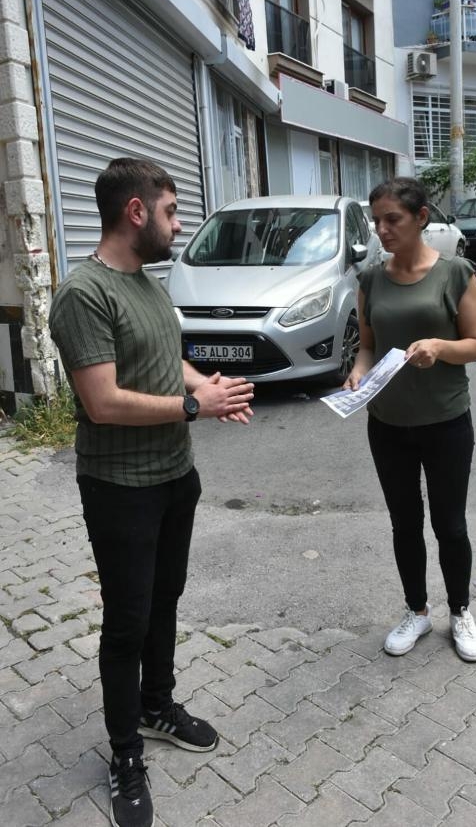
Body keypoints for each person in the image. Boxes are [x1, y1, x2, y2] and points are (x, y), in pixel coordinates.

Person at [49, 158, 255, 827]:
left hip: (174, 477)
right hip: (121, 488)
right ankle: (124, 753)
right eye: (170, 212)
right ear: (135, 212)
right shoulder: (84, 294)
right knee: (126, 622)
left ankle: (157, 705)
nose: (178, 224)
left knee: (165, 601)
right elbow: (103, 402)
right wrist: (194, 408)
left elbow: (167, 360)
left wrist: (202, 385)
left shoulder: (147, 283)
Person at [343, 177, 476, 664]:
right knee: (404, 523)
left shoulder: (456, 273)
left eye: (393, 219)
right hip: (387, 425)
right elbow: (367, 346)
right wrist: (358, 372)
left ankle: (460, 611)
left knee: (450, 525)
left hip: (446, 422)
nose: (382, 229)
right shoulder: (370, 280)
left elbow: (475, 345)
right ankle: (417, 611)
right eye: (376, 221)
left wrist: (440, 347)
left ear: (421, 217)